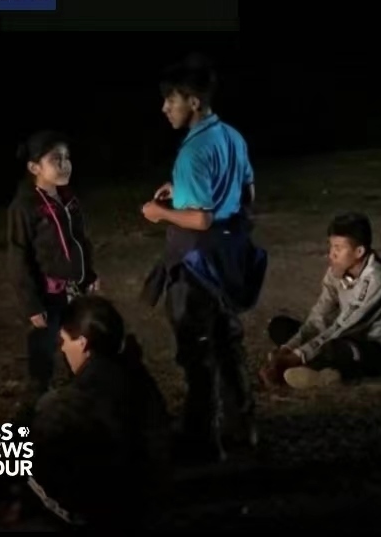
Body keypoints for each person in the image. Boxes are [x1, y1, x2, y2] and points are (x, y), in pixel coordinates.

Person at [0, 296, 171, 530]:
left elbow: (18, 445)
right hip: (148, 493)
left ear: (82, 343)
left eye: (64, 341)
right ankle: (13, 502)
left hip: (105, 512)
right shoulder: (135, 374)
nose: (63, 349)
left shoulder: (74, 400)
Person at [140, 54, 267, 463]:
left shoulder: (193, 151)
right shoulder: (231, 136)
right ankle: (243, 428)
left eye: (171, 99)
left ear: (193, 102)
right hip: (227, 259)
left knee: (197, 353)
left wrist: (160, 213)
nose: (165, 107)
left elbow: (200, 218)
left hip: (196, 264)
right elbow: (246, 194)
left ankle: (201, 440)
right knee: (229, 345)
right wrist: (179, 188)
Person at [260, 212, 381, 389]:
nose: (331, 254)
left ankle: (323, 375)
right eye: (331, 246)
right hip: (349, 335)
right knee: (280, 326)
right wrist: (287, 348)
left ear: (359, 251)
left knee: (334, 347)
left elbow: (343, 327)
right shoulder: (338, 270)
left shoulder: (377, 279)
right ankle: (314, 367)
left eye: (338, 248)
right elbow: (319, 317)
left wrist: (296, 356)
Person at [7, 131, 99, 402]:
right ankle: (31, 414)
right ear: (34, 167)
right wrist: (32, 304)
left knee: (81, 351)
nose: (65, 164)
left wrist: (88, 274)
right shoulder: (25, 206)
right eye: (55, 159)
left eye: (67, 157)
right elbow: (18, 255)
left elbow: (80, 240)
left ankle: (80, 405)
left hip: (75, 292)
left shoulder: (68, 199)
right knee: (43, 357)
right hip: (47, 296)